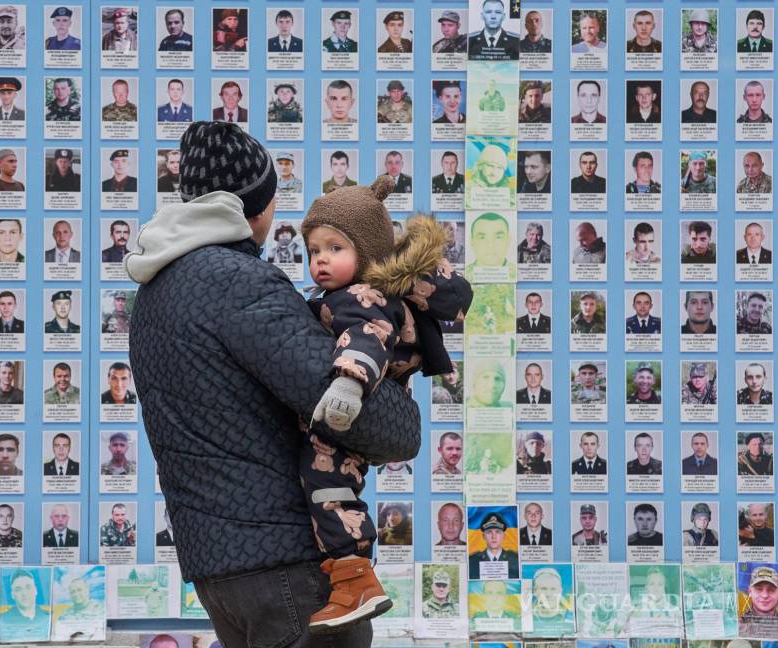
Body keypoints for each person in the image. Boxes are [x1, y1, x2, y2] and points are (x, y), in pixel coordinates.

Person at [126, 121, 420, 643]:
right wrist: (399, 392)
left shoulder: (153, 290)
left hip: (218, 566)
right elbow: (360, 417)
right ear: (252, 207)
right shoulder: (238, 282)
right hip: (286, 563)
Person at [0, 570, 50, 639]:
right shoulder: (2, 620)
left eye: (28, 587)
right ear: (12, 595)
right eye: (18, 589)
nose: (24, 593)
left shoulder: (48, 617)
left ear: (35, 590)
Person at [468, 512, 519, 579]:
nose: (493, 537)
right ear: (483, 536)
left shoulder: (515, 560)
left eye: (497, 532)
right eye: (489, 532)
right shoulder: (472, 561)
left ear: (503, 536)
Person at [738, 566, 778, 637]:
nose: (765, 595)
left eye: (771, 590)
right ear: (750, 591)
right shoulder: (737, 626)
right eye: (759, 589)